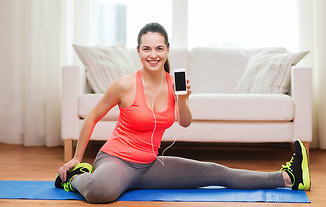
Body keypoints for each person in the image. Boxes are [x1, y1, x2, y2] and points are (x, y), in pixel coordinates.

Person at [55, 22, 311, 204]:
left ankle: (288, 177)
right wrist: (77, 157)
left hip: (150, 166)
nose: (152, 55)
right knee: (101, 194)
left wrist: (183, 100)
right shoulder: (124, 85)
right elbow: (92, 116)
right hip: (116, 161)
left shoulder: (172, 84)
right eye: (146, 49)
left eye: (158, 48)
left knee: (215, 172)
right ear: (138, 52)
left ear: (167, 50)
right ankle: (76, 178)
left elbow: (185, 123)